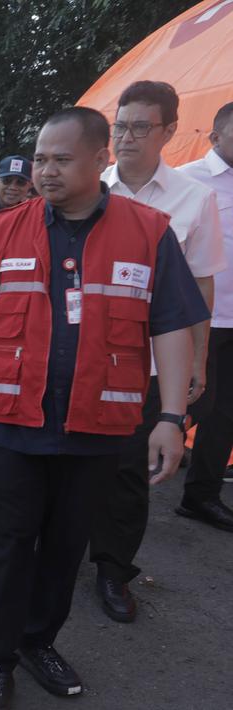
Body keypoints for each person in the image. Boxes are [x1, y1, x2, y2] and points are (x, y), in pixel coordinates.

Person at [0, 106, 207, 710]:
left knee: (67, 546)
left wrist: (171, 417)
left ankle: (39, 641)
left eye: (62, 160)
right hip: (15, 424)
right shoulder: (2, 232)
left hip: (98, 427)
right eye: (40, 158)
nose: (45, 171)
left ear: (101, 160)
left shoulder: (149, 233)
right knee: (7, 544)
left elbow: (171, 327)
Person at [91, 80, 225, 623]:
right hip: (81, 357)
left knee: (129, 473)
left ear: (170, 130)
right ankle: (65, 548)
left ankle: (112, 569)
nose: (126, 137)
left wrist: (197, 360)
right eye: (120, 125)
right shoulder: (90, 185)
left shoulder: (194, 198)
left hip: (146, 366)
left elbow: (200, 288)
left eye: (140, 127)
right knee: (75, 465)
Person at [178, 101, 233, 533]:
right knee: (192, 402)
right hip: (199, 317)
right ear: (214, 137)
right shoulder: (186, 183)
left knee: (226, 412)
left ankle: (202, 495)